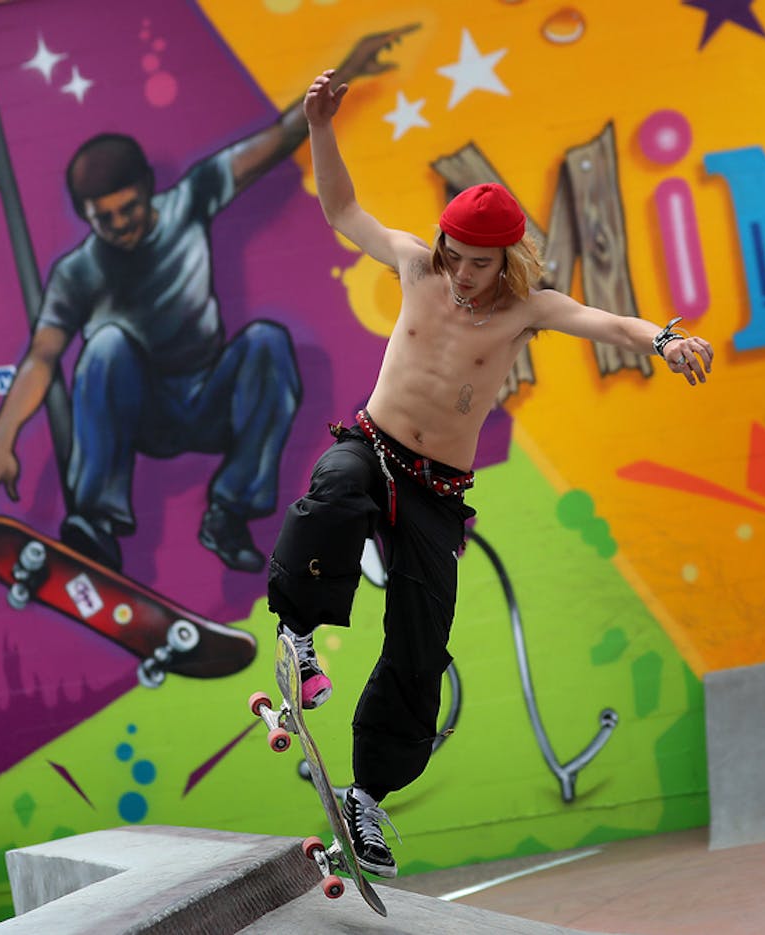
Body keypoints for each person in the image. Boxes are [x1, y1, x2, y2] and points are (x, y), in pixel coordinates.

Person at [266, 70, 715, 878]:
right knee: (332, 491)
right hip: (373, 445)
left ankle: (369, 798)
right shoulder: (413, 264)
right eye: (457, 258)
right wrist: (320, 127)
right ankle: (299, 633)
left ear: (506, 258)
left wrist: (663, 340)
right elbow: (342, 210)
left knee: (419, 640)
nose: (464, 276)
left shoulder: (524, 308)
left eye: (479, 264)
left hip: (438, 493)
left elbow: (602, 318)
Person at [0, 27, 416, 574]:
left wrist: (345, 68)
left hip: (209, 396)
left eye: (126, 210)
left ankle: (229, 511)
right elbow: (42, 356)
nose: (117, 227)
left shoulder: (192, 198)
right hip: (143, 409)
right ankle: (98, 523)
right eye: (101, 219)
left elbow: (274, 141)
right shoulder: (78, 270)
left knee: (267, 344)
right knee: (104, 346)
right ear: (87, 216)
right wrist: (1, 437)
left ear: (148, 191)